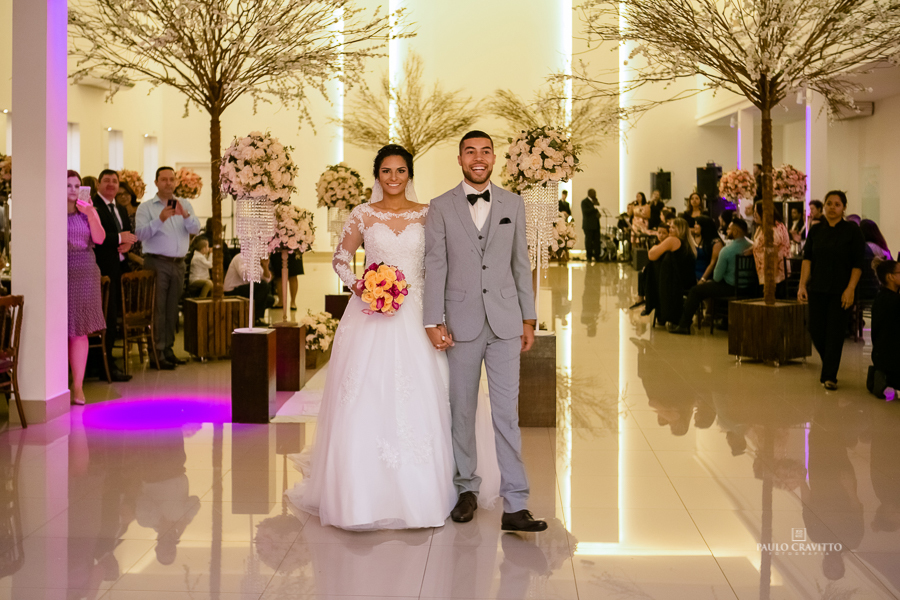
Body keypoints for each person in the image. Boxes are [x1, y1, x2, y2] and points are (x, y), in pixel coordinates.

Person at [286, 141, 503, 531]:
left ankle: (431, 491)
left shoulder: (429, 213)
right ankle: (360, 493)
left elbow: (445, 263)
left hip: (420, 312)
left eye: (400, 171)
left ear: (410, 175)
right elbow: (340, 258)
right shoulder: (363, 215)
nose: (393, 178)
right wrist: (363, 286)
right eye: (386, 171)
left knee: (427, 394)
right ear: (377, 175)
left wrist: (446, 314)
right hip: (371, 315)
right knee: (366, 395)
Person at [424, 131, 544, 532]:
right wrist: (433, 318)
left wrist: (529, 317)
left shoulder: (513, 202)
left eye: (486, 151)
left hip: (506, 322)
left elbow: (520, 263)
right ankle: (466, 490)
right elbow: (435, 265)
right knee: (461, 409)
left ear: (494, 159)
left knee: (507, 414)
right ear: (459, 159)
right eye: (471, 152)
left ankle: (516, 503)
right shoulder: (440, 207)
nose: (479, 158)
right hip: (460, 323)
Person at [798, 191, 866, 390]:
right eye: (829, 203)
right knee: (815, 329)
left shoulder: (853, 231)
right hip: (818, 288)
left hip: (841, 290)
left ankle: (829, 376)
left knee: (835, 332)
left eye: (837, 204)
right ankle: (830, 361)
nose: (832, 207)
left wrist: (850, 289)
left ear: (843, 208)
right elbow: (807, 260)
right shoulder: (816, 231)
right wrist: (802, 285)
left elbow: (857, 263)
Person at [135, 166, 201, 369]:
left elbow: (196, 229)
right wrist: (160, 219)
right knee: (158, 309)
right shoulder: (146, 208)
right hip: (156, 262)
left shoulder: (184, 204)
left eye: (171, 179)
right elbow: (140, 234)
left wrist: (186, 215)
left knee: (172, 310)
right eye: (164, 180)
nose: (168, 183)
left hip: (178, 264)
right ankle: (157, 353)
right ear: (156, 183)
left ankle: (168, 350)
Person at [668, 218, 753, 335]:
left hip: (731, 287)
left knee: (695, 291)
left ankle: (683, 325)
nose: (727, 231)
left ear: (736, 231)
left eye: (729, 229)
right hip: (749, 287)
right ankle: (720, 319)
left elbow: (717, 277)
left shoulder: (727, 250)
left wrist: (706, 280)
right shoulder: (752, 246)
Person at [91, 169, 137, 382]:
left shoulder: (119, 207)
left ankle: (108, 362)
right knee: (104, 320)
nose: (111, 184)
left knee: (112, 319)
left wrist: (128, 243)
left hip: (118, 270)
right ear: (99, 184)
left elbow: (127, 234)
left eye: (114, 181)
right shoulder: (93, 207)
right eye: (106, 181)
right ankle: (104, 366)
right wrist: (119, 238)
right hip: (101, 272)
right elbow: (95, 237)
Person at [66, 171, 107, 404]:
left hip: (85, 272)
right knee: (59, 330)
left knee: (79, 331)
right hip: (60, 271)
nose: (72, 189)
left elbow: (100, 239)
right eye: (68, 185)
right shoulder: (53, 212)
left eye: (76, 185)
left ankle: (78, 386)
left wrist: (90, 212)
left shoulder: (87, 212)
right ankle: (58, 385)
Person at [648, 217, 697, 327]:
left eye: (673, 228)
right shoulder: (687, 243)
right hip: (688, 280)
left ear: (680, 230)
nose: (670, 229)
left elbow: (651, 255)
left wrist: (655, 246)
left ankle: (659, 311)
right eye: (670, 227)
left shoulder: (673, 240)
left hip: (676, 283)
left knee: (652, 269)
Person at [869, 259, 900, 399]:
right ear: (890, 277)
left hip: (880, 356)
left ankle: (880, 375)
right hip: (894, 361)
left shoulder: (880, 298)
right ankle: (885, 378)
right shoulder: (895, 301)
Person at [224, 252, 274, 326]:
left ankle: (251, 316)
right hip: (232, 290)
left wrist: (265, 266)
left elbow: (267, 279)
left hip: (245, 289)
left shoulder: (256, 261)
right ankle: (256, 318)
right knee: (263, 286)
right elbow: (244, 277)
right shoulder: (241, 257)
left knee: (270, 299)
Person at [750, 201, 791, 293]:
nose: (754, 215)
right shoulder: (761, 227)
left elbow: (774, 253)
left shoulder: (774, 228)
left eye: (756, 212)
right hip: (764, 274)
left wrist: (771, 280)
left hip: (775, 277)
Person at [693, 215, 723, 282]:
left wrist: (702, 279)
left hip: (706, 276)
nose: (694, 226)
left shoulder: (716, 242)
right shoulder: (696, 239)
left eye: (697, 224)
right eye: (694, 224)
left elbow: (712, 264)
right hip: (693, 274)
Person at [581, 188, 601, 263]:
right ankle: (589, 256)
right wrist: (594, 207)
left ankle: (597, 256)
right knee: (588, 242)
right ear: (589, 193)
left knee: (597, 241)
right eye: (594, 193)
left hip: (596, 225)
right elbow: (585, 212)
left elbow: (597, 211)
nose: (595, 195)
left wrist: (598, 213)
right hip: (588, 225)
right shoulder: (584, 202)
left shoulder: (595, 202)